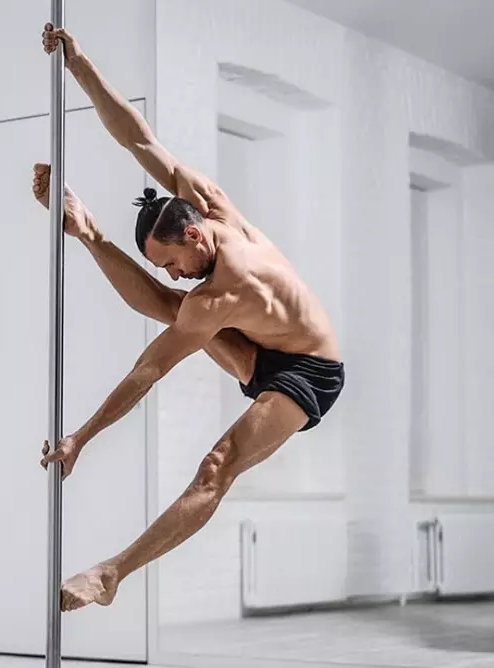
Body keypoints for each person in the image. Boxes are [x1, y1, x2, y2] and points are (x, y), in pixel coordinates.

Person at [32, 24, 344, 613]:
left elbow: (147, 371)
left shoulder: (220, 296)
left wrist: (80, 438)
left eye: (173, 262)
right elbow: (137, 137)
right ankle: (89, 231)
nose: (175, 273)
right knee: (176, 308)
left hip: (312, 370)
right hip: (259, 346)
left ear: (194, 235)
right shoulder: (207, 205)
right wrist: (78, 65)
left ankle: (110, 574)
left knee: (216, 465)